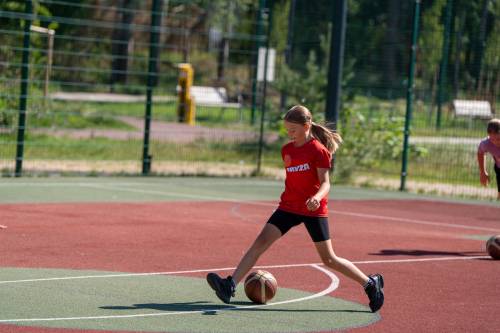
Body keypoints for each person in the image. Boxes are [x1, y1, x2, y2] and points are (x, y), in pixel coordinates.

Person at [206, 105, 384, 312]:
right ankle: (230, 285)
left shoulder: (318, 150)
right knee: (259, 244)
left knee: (328, 258)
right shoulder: (287, 150)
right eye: (287, 130)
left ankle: (371, 284)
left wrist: (316, 198)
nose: (289, 134)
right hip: (289, 207)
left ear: (306, 126)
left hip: (313, 209)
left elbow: (326, 183)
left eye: (293, 130)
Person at [477, 118, 500, 200]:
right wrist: (483, 172)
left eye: (498, 139)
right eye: (492, 139)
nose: (495, 142)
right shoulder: (486, 143)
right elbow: (480, 153)